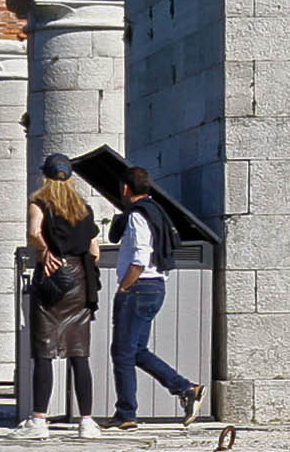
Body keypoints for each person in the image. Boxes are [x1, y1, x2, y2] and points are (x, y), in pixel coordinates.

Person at [99, 164, 198, 429]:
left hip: (139, 286)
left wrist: (124, 287)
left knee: (121, 352)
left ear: (126, 188)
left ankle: (126, 413)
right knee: (136, 351)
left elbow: (140, 257)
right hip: (156, 286)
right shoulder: (157, 211)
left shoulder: (137, 215)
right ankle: (186, 389)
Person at [23, 154, 102, 431]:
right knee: (79, 352)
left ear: (44, 175)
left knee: (44, 350)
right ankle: (87, 421)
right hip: (80, 280)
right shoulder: (84, 208)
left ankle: (38, 419)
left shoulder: (39, 202)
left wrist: (45, 252)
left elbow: (34, 232)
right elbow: (95, 250)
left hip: (52, 276)